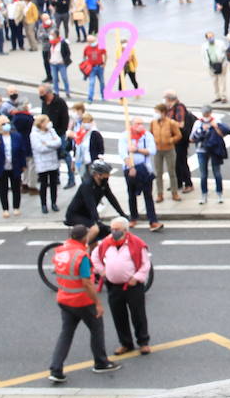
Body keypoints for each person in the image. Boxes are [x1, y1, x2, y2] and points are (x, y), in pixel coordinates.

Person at [47, 223, 122, 383]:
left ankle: (56, 368)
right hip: (81, 300)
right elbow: (87, 283)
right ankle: (101, 362)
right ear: (84, 238)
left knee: (66, 334)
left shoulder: (61, 251)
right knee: (96, 329)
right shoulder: (81, 256)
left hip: (64, 299)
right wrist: (98, 304)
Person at [91, 216, 152, 356]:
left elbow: (145, 264)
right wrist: (102, 271)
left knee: (138, 315)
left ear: (125, 230)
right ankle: (126, 343)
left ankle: (143, 342)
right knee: (119, 316)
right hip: (114, 286)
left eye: (116, 229)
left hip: (133, 286)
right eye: (112, 229)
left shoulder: (136, 243)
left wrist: (136, 278)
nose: (113, 232)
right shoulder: (106, 243)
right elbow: (94, 257)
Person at [121, 118, 161, 230]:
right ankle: (133, 217)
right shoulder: (125, 136)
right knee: (131, 194)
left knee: (148, 194)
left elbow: (152, 150)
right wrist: (131, 167)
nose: (140, 126)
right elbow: (123, 154)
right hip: (130, 168)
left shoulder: (147, 136)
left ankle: (153, 220)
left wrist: (137, 150)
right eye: (137, 124)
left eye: (141, 124)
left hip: (144, 168)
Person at [191, 105, 230, 204]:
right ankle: (204, 195)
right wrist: (201, 131)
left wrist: (215, 126)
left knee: (217, 173)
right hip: (202, 150)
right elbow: (191, 138)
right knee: (203, 174)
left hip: (214, 150)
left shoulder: (216, 121)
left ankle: (219, 193)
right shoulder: (198, 123)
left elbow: (223, 134)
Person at [0, 117, 28, 217]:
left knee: (16, 187)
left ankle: (16, 207)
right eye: (4, 124)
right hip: (1, 166)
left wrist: (23, 165)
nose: (7, 125)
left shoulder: (16, 136)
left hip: (15, 166)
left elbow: (22, 151)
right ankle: (5, 209)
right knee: (3, 189)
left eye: (7, 123)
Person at [32, 114, 64, 213]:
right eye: (46, 121)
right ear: (41, 123)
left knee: (54, 184)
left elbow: (58, 142)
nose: (49, 123)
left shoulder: (51, 131)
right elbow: (39, 148)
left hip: (53, 161)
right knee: (44, 184)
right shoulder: (34, 134)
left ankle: (54, 203)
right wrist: (51, 145)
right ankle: (44, 204)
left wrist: (47, 144)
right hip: (42, 163)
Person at [150, 104, 182, 202]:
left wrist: (170, 140)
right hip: (158, 150)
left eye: (157, 112)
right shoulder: (153, 123)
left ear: (163, 112)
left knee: (171, 172)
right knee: (158, 173)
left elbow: (178, 135)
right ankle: (160, 194)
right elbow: (150, 134)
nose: (155, 114)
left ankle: (174, 192)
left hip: (169, 149)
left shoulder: (171, 123)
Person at [203, 33, 228, 103]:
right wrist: (207, 65)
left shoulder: (220, 43)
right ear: (207, 38)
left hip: (221, 64)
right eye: (209, 37)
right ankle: (217, 96)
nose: (211, 38)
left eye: (212, 36)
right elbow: (203, 57)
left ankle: (223, 97)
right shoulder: (204, 46)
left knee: (222, 80)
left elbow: (225, 52)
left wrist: (224, 62)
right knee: (214, 81)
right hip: (212, 66)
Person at [81, 35, 106, 102]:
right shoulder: (87, 48)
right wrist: (85, 64)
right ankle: (90, 97)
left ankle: (103, 95)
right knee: (92, 83)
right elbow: (84, 56)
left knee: (102, 82)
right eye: (89, 42)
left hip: (99, 67)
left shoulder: (100, 47)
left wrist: (104, 63)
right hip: (91, 68)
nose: (91, 43)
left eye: (92, 41)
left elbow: (105, 54)